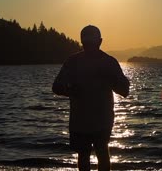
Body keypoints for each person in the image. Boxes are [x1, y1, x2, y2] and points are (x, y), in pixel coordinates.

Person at [52, 25, 130, 171]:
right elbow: (124, 90)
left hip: (83, 120)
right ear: (100, 41)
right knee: (100, 152)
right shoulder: (108, 62)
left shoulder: (72, 62)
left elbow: (56, 87)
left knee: (85, 154)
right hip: (99, 120)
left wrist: (70, 90)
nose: (89, 47)